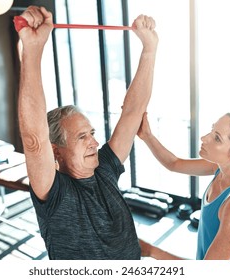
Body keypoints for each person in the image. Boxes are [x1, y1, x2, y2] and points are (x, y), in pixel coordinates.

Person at [15, 6, 158, 259]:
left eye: (91, 133)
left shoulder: (105, 169)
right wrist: (33, 51)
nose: (94, 142)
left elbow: (133, 112)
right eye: (82, 137)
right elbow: (35, 140)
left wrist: (149, 49)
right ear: (55, 150)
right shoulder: (55, 192)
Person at [137, 111, 230, 260]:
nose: (204, 138)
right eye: (212, 130)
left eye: (217, 138)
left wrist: (151, 251)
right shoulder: (220, 168)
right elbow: (174, 163)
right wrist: (146, 135)